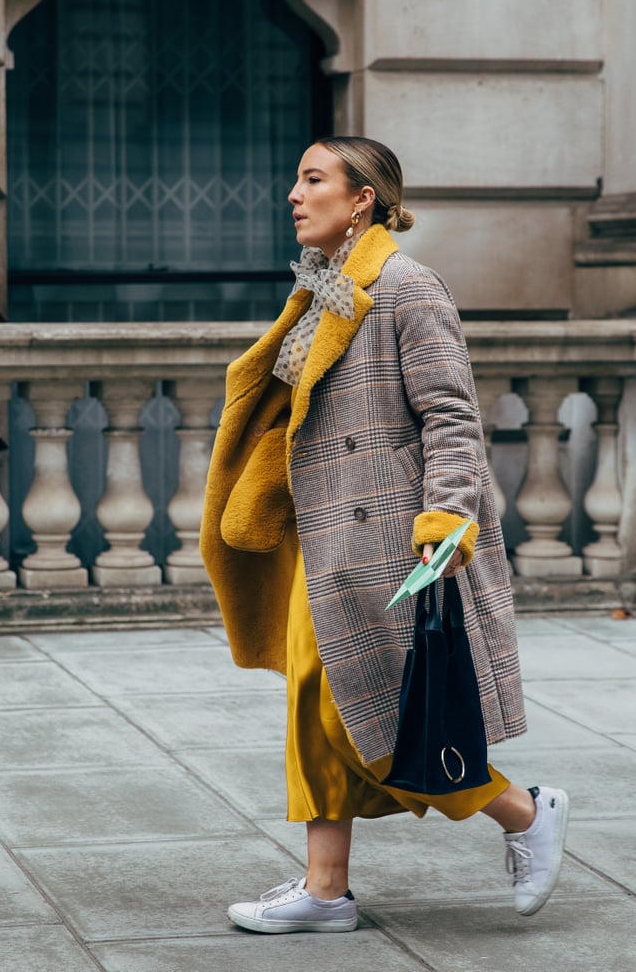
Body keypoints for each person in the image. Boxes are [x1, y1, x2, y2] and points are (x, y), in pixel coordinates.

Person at [200, 135, 569, 934]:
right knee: (312, 702)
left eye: (313, 179)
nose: (294, 193)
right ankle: (324, 891)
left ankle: (522, 812)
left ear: (361, 197)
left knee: (372, 714)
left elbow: (451, 415)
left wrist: (443, 521)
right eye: (296, 178)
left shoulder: (404, 286)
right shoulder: (323, 286)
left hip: (389, 542)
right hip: (320, 535)